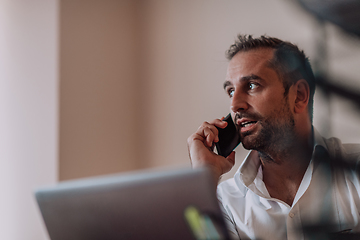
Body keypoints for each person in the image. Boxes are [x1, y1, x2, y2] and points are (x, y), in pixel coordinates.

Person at [187, 35, 360, 240]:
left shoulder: (354, 169)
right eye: (231, 91)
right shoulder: (225, 201)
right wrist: (204, 175)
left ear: (299, 95)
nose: (234, 106)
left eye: (251, 85)